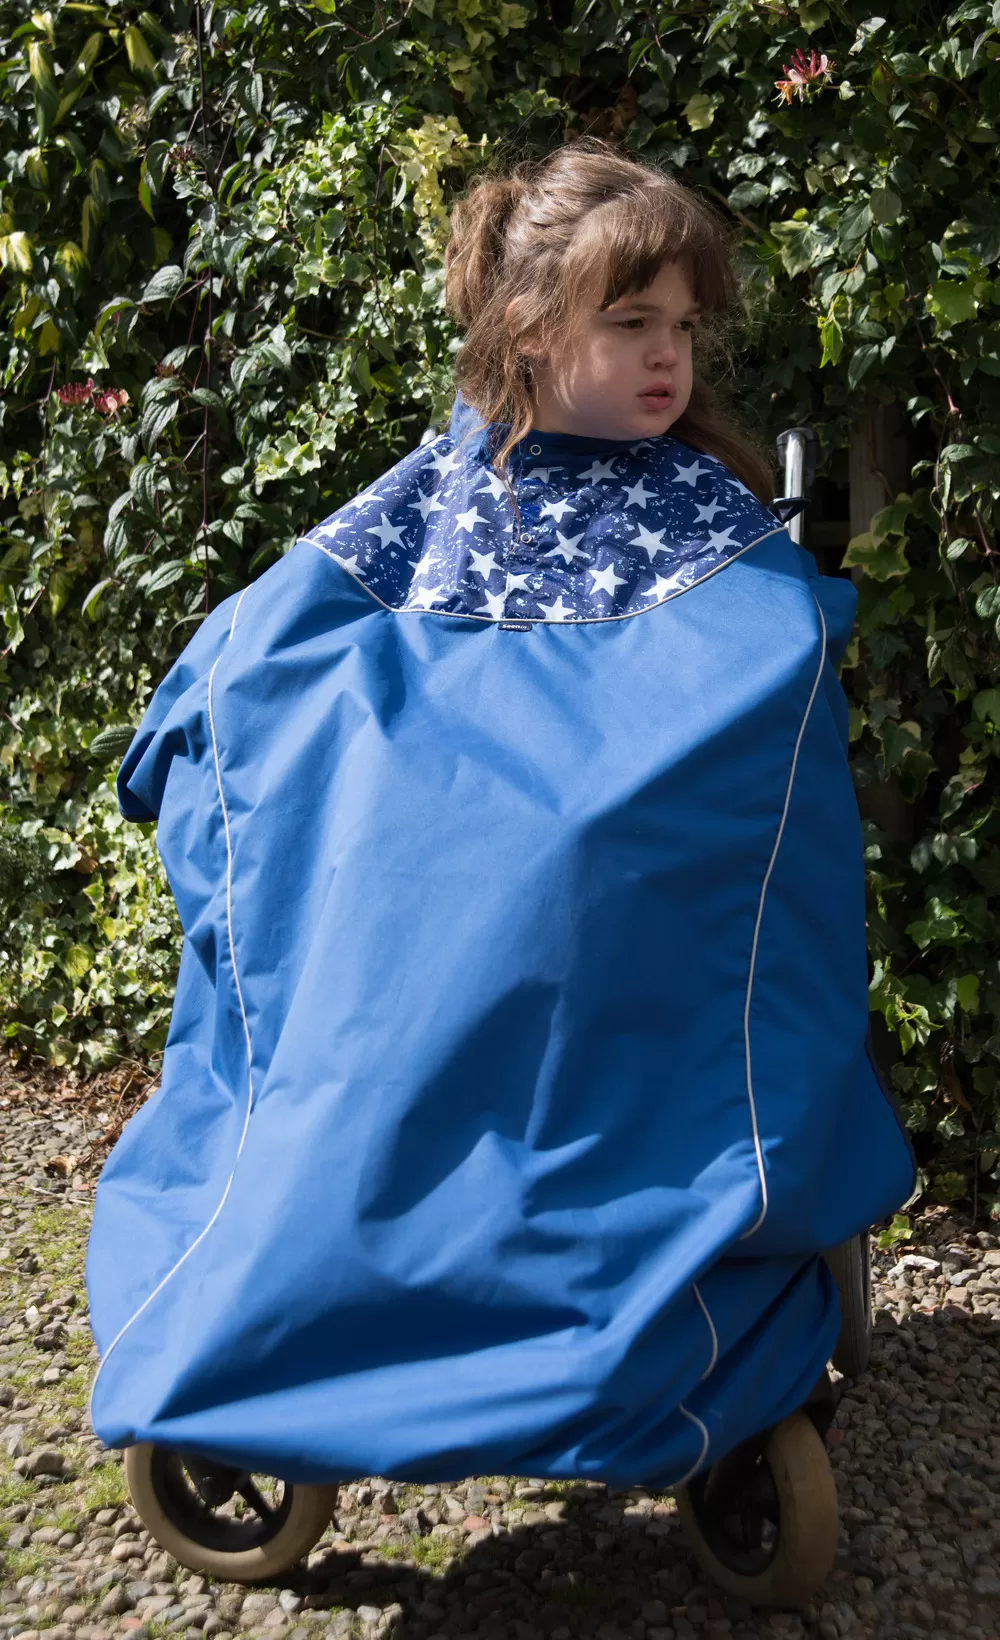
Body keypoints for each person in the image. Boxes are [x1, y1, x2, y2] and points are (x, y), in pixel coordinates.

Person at [87, 139, 914, 1498]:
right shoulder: (436, 495)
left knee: (575, 872)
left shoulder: (713, 514)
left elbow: (755, 683)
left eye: (686, 329)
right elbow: (268, 650)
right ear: (529, 331)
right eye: (631, 323)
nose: (669, 360)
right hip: (422, 895)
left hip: (618, 915)